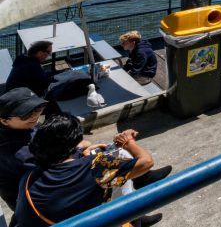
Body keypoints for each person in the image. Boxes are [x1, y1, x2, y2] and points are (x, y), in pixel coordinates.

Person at [16, 115, 163, 227]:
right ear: (73, 144)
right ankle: (134, 218)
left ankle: (136, 217)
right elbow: (146, 162)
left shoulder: (28, 177)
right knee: (117, 168)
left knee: (113, 174)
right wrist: (128, 141)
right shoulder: (95, 165)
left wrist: (80, 153)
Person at [0, 88, 47, 212]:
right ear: (4, 121)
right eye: (26, 114)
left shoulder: (26, 125)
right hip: (34, 206)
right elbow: (52, 167)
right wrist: (78, 149)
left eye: (38, 109)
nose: (35, 116)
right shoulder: (11, 149)